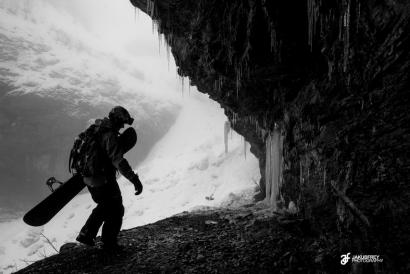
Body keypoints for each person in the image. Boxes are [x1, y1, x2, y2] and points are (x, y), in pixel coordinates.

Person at [76, 106, 143, 249]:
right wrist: (134, 179)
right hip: (103, 178)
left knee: (107, 205)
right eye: (122, 122)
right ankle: (104, 241)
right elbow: (118, 161)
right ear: (118, 119)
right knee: (116, 208)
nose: (123, 126)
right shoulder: (109, 135)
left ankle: (91, 235)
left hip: (88, 178)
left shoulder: (95, 128)